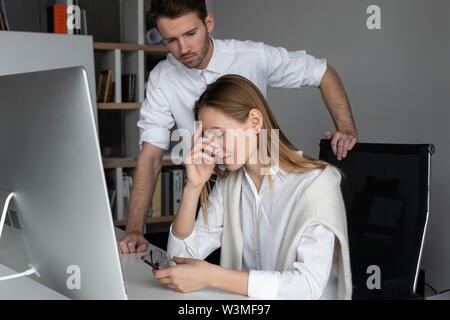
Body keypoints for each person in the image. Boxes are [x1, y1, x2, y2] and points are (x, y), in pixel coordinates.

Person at [117, 0, 357, 254]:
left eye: (190, 34)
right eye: (171, 40)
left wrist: (347, 130)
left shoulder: (252, 57)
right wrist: (134, 229)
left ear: (208, 23)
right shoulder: (162, 77)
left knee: (271, 255)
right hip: (209, 184)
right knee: (195, 265)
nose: (183, 48)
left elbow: (322, 72)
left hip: (264, 178)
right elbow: (151, 155)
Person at [152, 74, 352, 299]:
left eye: (220, 135)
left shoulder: (317, 183)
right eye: (208, 138)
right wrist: (193, 187)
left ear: (255, 121)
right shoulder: (230, 184)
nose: (214, 149)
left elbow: (306, 288)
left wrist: (212, 276)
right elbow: (179, 258)